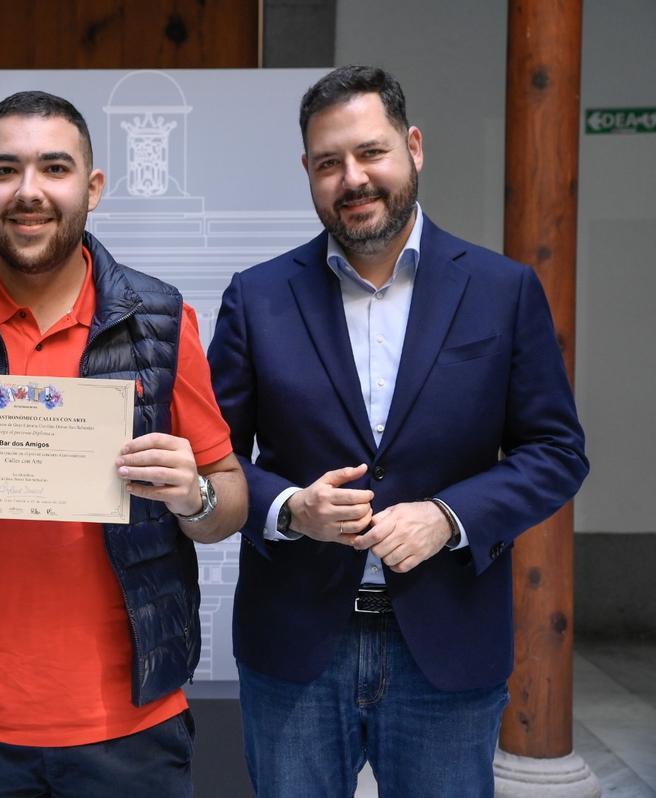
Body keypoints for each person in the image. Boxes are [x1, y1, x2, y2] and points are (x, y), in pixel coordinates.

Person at [208, 65, 589, 796]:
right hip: (294, 647)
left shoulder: (502, 290)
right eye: (329, 162)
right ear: (308, 172)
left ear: (413, 147)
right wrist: (291, 508)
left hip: (447, 647)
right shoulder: (258, 297)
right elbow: (213, 455)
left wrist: (449, 517)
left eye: (370, 152)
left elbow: (556, 451)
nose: (353, 178)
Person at [0, 90, 247, 797]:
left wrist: (195, 496)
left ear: (91, 188)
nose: (28, 191)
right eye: (6, 170)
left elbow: (229, 502)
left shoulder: (160, 320)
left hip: (130, 722)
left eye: (54, 168)